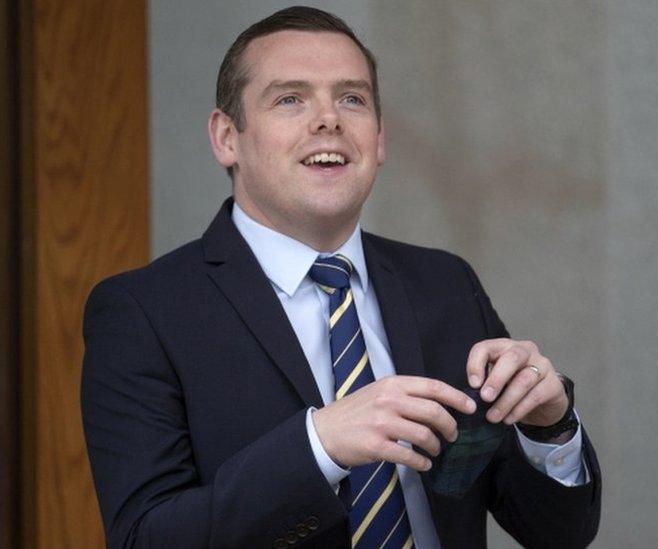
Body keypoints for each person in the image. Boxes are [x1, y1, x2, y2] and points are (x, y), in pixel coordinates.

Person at [81, 6, 601, 549]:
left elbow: (558, 534)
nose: (328, 120)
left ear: (378, 140)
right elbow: (145, 539)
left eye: (351, 98)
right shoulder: (143, 312)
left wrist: (549, 428)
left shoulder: (444, 283)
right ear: (226, 138)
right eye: (290, 99)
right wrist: (318, 446)